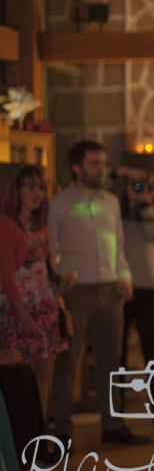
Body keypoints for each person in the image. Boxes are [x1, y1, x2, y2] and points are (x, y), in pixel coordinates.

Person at [48, 141, 149, 451]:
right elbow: (51, 249)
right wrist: (60, 282)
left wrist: (125, 275)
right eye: (95, 163)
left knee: (111, 364)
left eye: (103, 163)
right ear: (77, 168)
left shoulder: (110, 202)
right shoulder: (58, 204)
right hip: (75, 292)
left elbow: (117, 246)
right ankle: (62, 432)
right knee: (67, 364)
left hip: (110, 289)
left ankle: (113, 425)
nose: (102, 170)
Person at [0, 165, 68, 417]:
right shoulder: (7, 225)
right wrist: (25, 319)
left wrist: (60, 283)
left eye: (40, 187)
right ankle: (23, 439)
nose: (37, 193)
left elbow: (47, 264)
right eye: (30, 187)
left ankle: (40, 436)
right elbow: (7, 277)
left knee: (42, 372)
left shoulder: (41, 225)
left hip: (45, 305)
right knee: (22, 375)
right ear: (16, 191)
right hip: (22, 308)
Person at [111, 170, 154, 431]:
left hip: (148, 287)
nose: (138, 189)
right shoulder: (113, 211)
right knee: (117, 353)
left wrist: (143, 204)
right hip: (120, 287)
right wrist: (121, 179)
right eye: (134, 186)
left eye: (143, 186)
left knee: (152, 353)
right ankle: (116, 415)